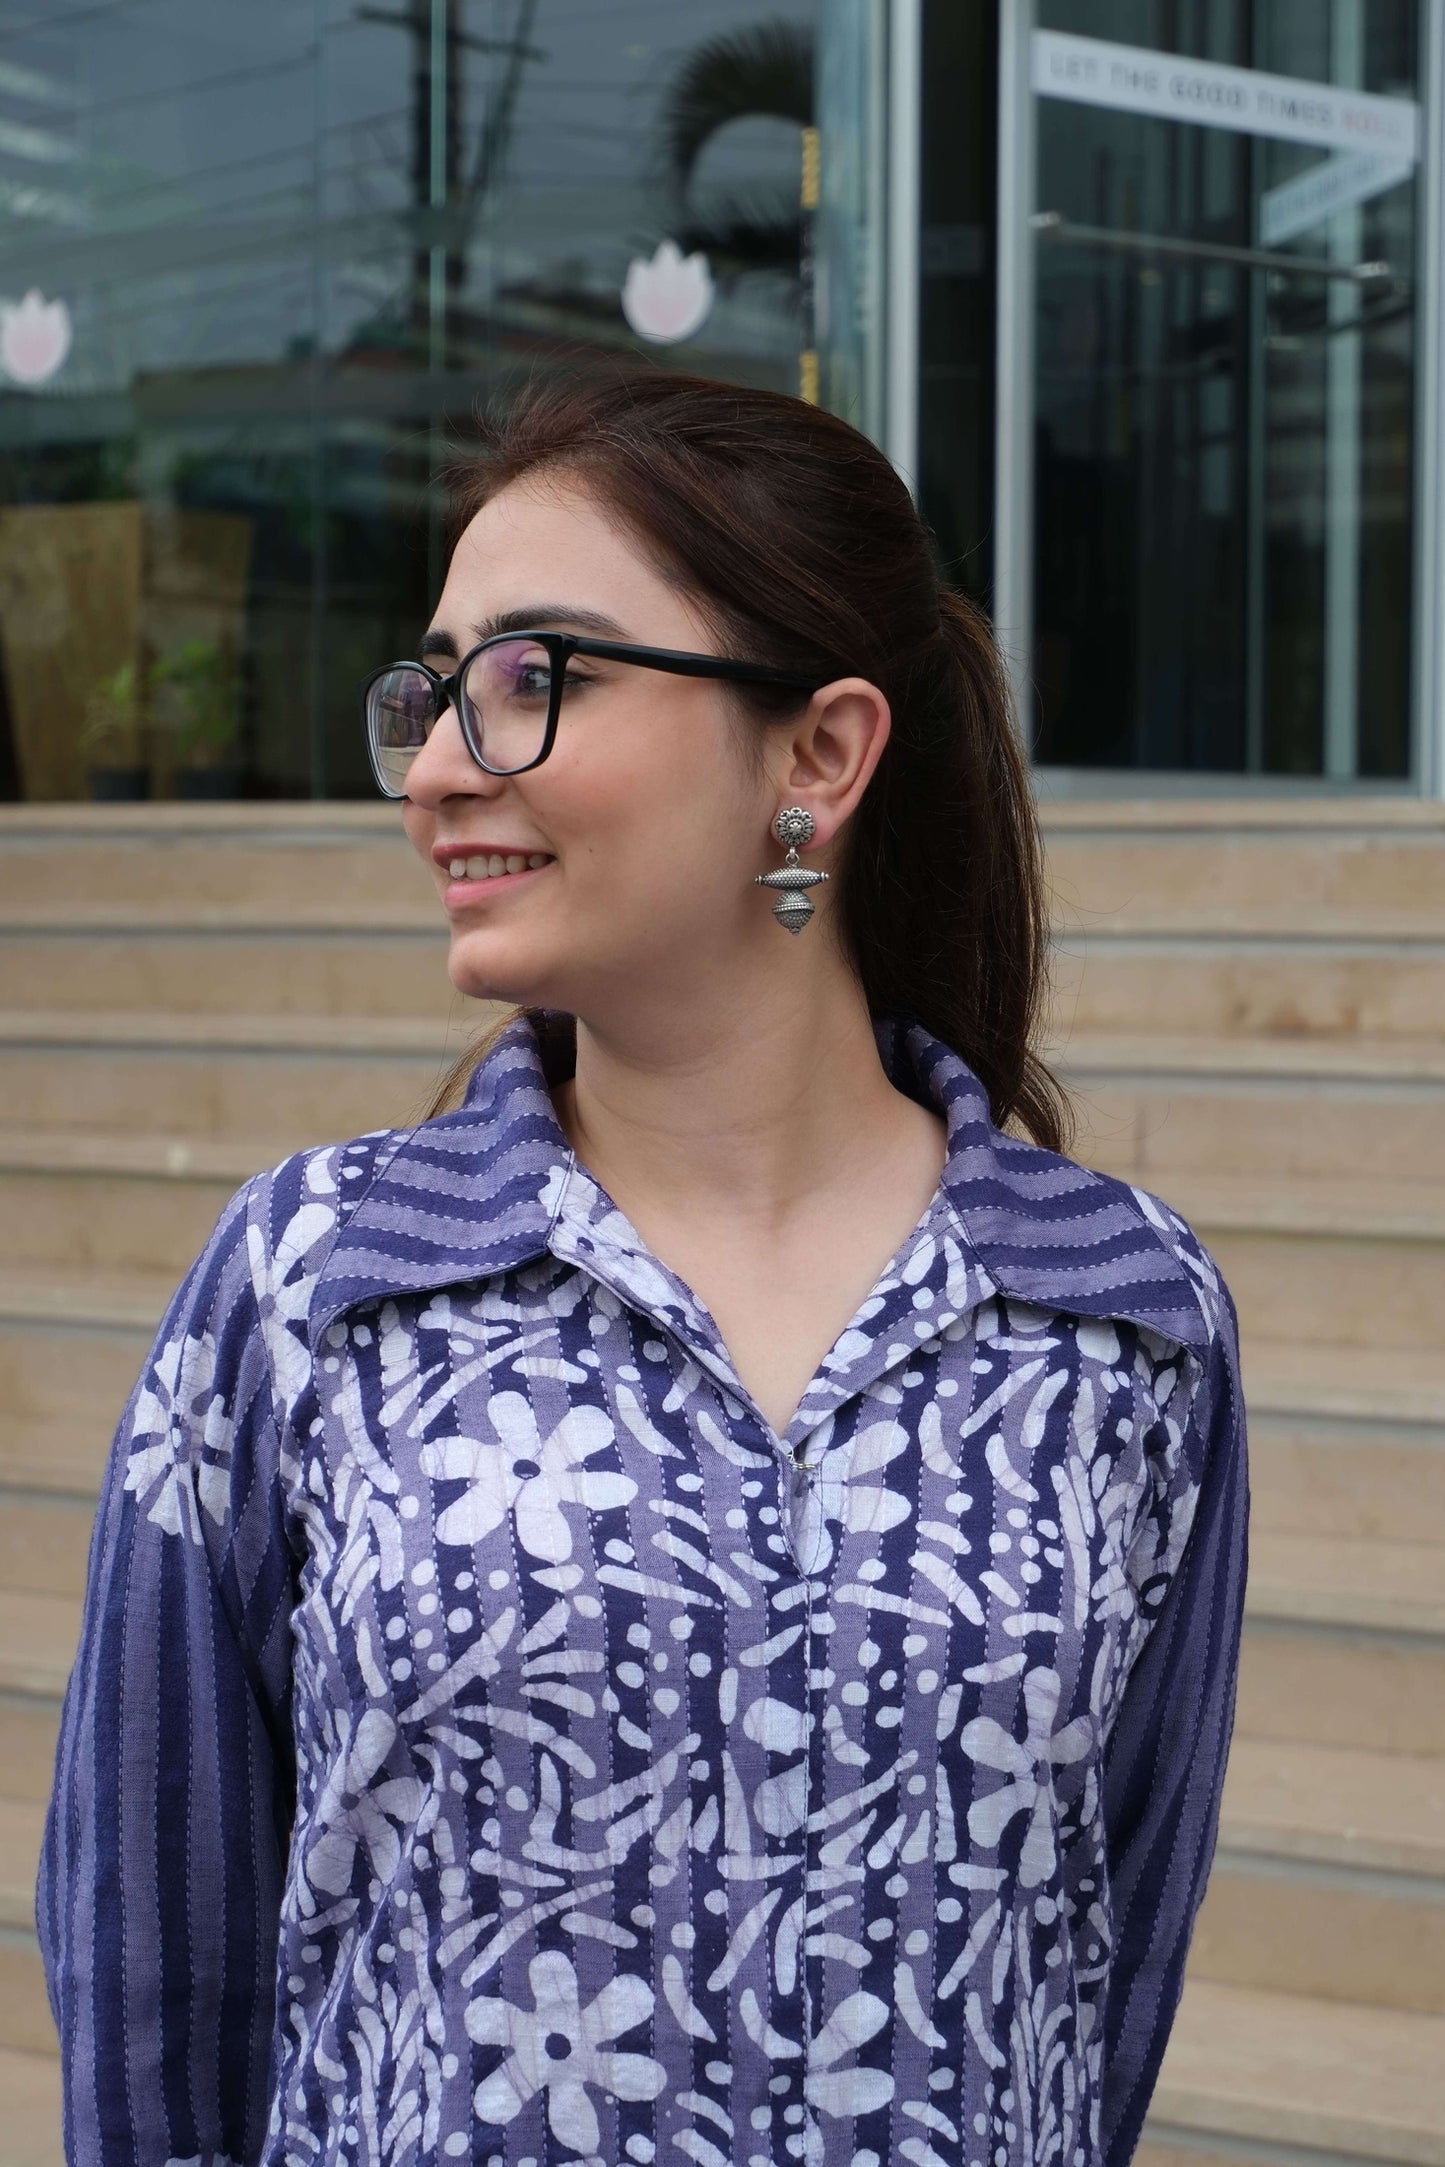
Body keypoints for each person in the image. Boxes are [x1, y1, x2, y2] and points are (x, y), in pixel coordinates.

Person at [38, 366, 1248, 2167]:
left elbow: (1094, 1976)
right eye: (435, 688)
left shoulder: (1120, 1317)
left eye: (538, 677)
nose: (442, 761)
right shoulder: (319, 1283)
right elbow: (152, 1967)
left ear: (818, 757)